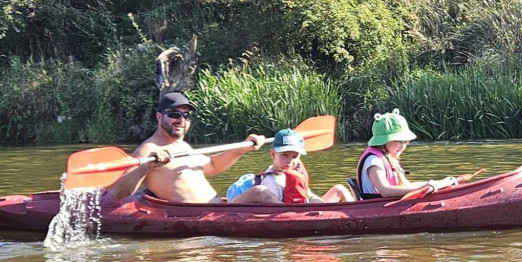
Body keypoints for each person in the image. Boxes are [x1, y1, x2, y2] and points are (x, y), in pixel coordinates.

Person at [107, 92, 267, 203]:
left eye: (186, 116)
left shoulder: (183, 146)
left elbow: (213, 165)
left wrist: (243, 148)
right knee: (260, 193)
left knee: (262, 190)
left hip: (215, 211)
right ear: (159, 116)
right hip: (195, 216)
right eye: (174, 114)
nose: (181, 120)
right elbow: (119, 192)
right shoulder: (148, 150)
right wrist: (146, 166)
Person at [226, 128, 354, 204]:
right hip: (288, 214)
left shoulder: (296, 173)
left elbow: (308, 195)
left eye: (294, 156)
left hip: (304, 210)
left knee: (339, 189)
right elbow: (277, 213)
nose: (290, 161)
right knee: (261, 192)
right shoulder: (270, 182)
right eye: (284, 155)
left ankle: (355, 215)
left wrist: (322, 206)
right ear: (273, 154)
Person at [355, 109, 457, 199]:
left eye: (405, 142)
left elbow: (406, 185)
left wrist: (435, 183)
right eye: (399, 141)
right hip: (376, 207)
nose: (403, 146)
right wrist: (426, 187)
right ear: (383, 141)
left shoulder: (388, 157)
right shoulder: (374, 161)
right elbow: (386, 191)